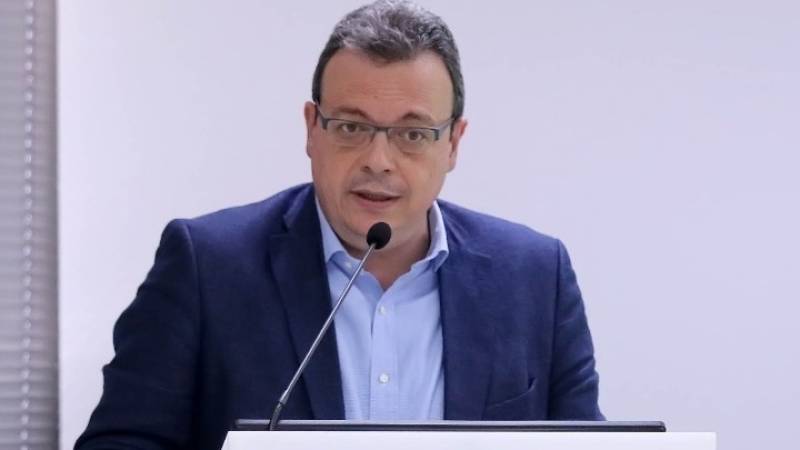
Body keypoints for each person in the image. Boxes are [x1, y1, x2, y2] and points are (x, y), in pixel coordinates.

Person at [75, 1, 603, 449]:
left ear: (453, 144)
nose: (379, 160)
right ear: (312, 129)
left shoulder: (535, 278)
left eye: (412, 134)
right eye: (351, 127)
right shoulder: (206, 268)